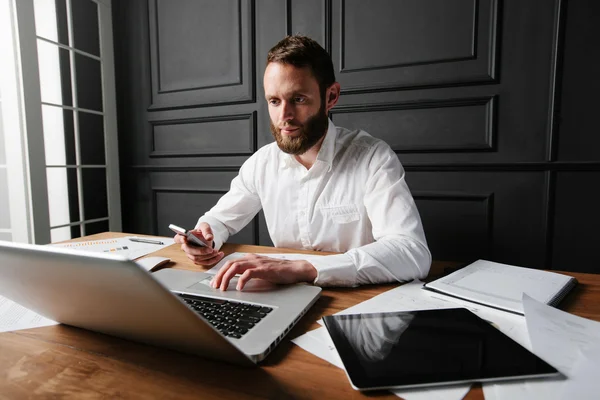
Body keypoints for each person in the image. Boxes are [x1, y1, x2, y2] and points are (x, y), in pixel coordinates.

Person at [173, 35, 431, 291]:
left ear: (331, 97)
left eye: (298, 99)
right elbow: (221, 220)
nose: (284, 116)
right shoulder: (261, 163)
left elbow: (412, 252)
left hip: (353, 302)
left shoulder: (373, 157)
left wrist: (303, 269)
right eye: (274, 101)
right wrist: (206, 236)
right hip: (280, 296)